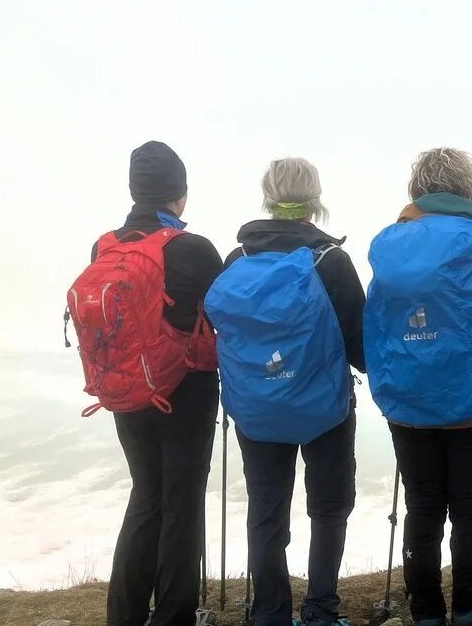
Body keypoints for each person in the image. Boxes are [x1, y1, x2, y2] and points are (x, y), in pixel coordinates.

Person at [363, 148, 472, 626]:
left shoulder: (389, 245)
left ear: (419, 190)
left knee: (423, 506)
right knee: (471, 508)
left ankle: (426, 614)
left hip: (408, 401)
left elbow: (379, 324)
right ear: (466, 189)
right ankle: (469, 611)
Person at [211, 158, 366, 626]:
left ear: (268, 197)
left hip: (256, 411)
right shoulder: (330, 261)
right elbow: (359, 348)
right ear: (314, 200)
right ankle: (320, 611)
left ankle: (270, 615)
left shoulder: (237, 260)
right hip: (325, 411)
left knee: (266, 510)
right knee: (328, 507)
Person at [91, 141, 222, 626]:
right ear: (179, 196)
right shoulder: (193, 249)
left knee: (146, 493)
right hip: (185, 391)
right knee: (182, 500)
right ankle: (173, 617)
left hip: (125, 389)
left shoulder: (104, 246)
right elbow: (225, 313)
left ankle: (123, 616)